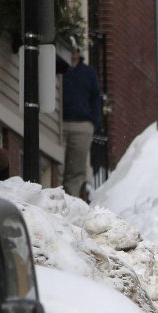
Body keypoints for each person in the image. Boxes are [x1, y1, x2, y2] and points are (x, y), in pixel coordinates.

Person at [61, 48, 102, 200]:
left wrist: (93, 122)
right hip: (60, 124)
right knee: (58, 164)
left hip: (82, 126)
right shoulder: (59, 67)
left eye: (75, 50)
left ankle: (71, 200)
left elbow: (96, 97)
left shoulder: (88, 73)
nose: (72, 53)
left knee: (77, 169)